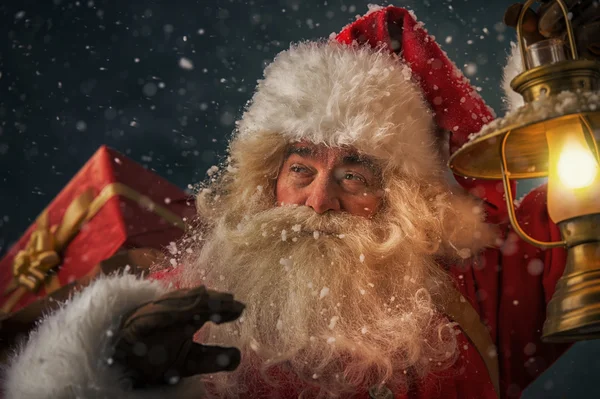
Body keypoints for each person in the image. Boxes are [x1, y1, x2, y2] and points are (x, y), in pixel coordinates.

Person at [3, 3, 599, 399]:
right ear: (266, 180)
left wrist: (582, 83)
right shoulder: (183, 302)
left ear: (402, 200)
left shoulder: (482, 295)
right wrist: (109, 371)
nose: (316, 203)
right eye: (300, 168)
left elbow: (587, 206)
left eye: (354, 176)